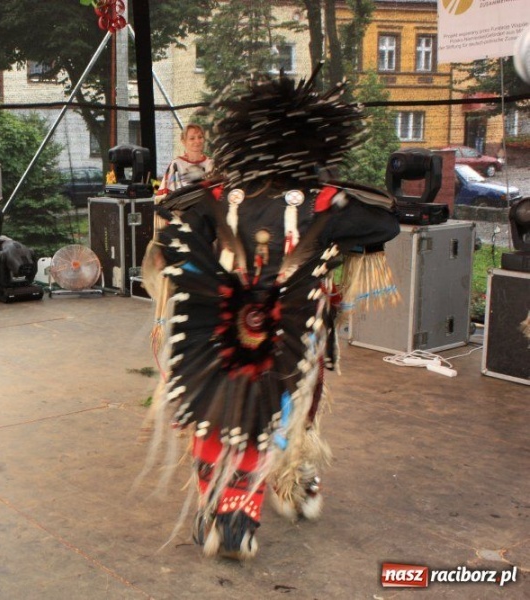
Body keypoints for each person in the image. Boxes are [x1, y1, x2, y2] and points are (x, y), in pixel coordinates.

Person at [142, 70, 401, 560]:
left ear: (243, 144)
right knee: (276, 416)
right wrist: (326, 196)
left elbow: (174, 222)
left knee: (213, 415)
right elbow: (384, 224)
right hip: (290, 337)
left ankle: (223, 506)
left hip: (214, 329)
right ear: (312, 146)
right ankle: (247, 512)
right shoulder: (325, 202)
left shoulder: (214, 198)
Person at [156, 123, 213, 196]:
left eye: (200, 137)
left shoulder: (211, 164)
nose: (197, 141)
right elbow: (164, 195)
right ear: (183, 141)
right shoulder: (176, 164)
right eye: (192, 138)